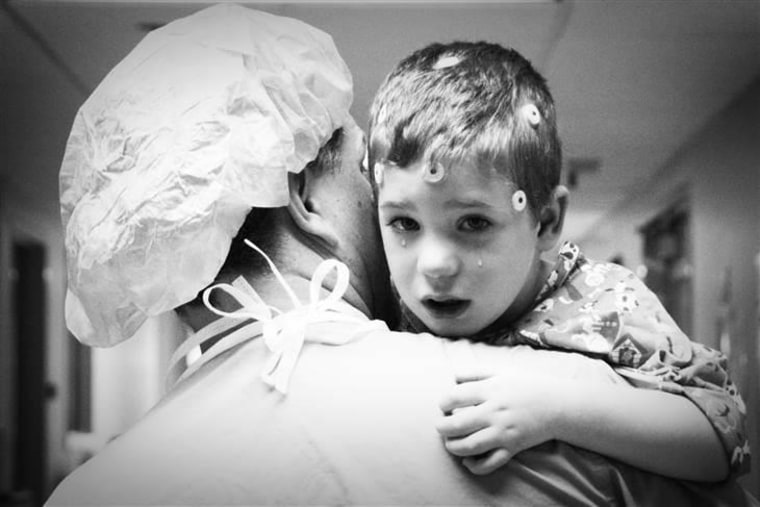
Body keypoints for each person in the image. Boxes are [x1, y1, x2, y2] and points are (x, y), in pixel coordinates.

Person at [47, 5, 758, 506]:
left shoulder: (89, 490)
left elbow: (716, 423)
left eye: (472, 221)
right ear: (301, 193)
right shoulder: (505, 410)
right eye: (376, 183)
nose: (434, 261)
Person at [368, 41, 750, 481]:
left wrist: (555, 409)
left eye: (472, 223)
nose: (434, 265)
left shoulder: (604, 301)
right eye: (403, 223)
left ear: (546, 221)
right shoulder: (385, 301)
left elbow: (722, 434)